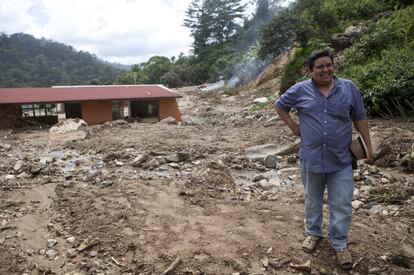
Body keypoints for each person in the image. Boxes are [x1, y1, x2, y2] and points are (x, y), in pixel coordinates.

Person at [275, 49, 373, 270]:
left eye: (328, 65)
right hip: (311, 157)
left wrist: (369, 146)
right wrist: (293, 127)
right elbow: (280, 105)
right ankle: (313, 233)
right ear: (310, 71)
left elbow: (360, 117)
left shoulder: (349, 88)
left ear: (333, 66)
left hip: (341, 158)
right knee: (312, 199)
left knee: (342, 202)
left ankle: (339, 243)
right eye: (319, 67)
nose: (325, 70)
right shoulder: (300, 90)